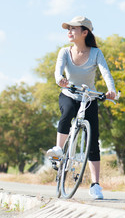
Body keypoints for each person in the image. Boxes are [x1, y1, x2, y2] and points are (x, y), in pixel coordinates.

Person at [46, 16, 116, 199]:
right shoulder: (64, 52)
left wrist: (111, 90)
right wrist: (60, 79)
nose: (69, 32)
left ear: (85, 32)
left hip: (89, 98)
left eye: (73, 29)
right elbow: (57, 71)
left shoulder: (95, 53)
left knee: (93, 142)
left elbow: (105, 72)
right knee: (67, 112)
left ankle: (95, 185)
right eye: (68, 29)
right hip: (69, 94)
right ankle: (59, 150)